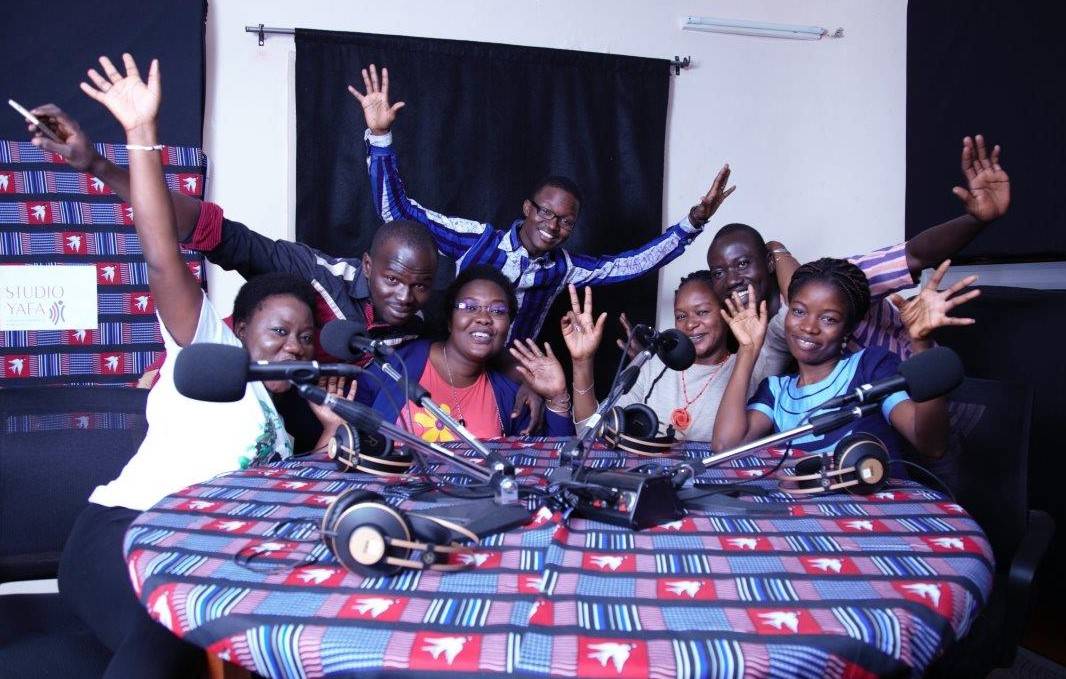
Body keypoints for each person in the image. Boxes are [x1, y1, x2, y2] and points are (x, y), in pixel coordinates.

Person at [55, 54, 356, 678]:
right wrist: (140, 133)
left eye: (305, 338)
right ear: (239, 329)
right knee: (171, 634)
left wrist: (328, 431)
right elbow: (164, 256)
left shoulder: (294, 416)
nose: (294, 347)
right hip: (123, 534)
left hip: (201, 556)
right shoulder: (208, 354)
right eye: (278, 332)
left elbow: (300, 483)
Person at [350, 64, 737, 345]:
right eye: (547, 213)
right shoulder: (477, 241)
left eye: (566, 222)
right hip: (453, 359)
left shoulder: (563, 269)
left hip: (515, 372)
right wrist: (380, 136)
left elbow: (630, 264)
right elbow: (398, 215)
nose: (553, 226)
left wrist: (693, 222)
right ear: (528, 208)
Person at [26, 104, 439, 352]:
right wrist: (98, 166)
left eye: (420, 285)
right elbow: (217, 233)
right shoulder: (317, 276)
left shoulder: (423, 332)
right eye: (392, 279)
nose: (405, 296)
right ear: (367, 265)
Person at [705, 134, 1009, 382]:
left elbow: (915, 253)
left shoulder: (839, 283)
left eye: (743, 263)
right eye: (718, 272)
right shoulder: (751, 330)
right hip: (863, 428)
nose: (732, 279)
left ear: (769, 262)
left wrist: (977, 221)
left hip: (928, 404)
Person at [711, 259, 978, 464]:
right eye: (799, 311)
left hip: (871, 513)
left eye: (828, 319)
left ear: (848, 329)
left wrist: (922, 344)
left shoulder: (869, 367)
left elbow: (930, 444)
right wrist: (748, 350)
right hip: (804, 515)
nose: (809, 327)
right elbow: (725, 448)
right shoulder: (776, 390)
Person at [361, 265, 575, 439]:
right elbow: (347, 442)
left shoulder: (511, 394)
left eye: (498, 311)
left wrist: (557, 397)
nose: (484, 318)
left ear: (509, 325)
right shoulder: (393, 364)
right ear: (449, 320)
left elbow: (551, 462)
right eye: (470, 307)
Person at [565, 275, 746, 442]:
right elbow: (590, 432)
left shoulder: (745, 366)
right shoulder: (651, 365)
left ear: (726, 311)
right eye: (681, 316)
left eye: (702, 312)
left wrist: (775, 252)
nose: (690, 324)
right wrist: (582, 362)